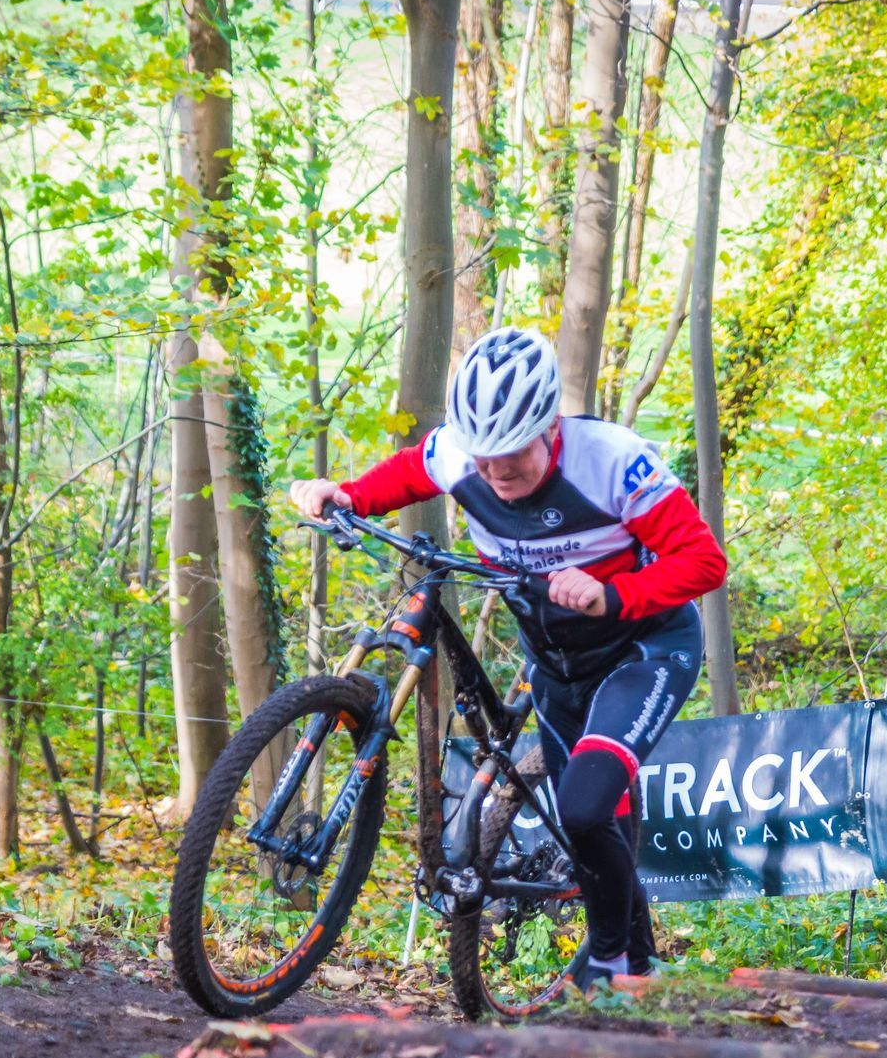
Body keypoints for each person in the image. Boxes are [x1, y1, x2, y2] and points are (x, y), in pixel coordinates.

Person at [290, 326, 727, 989]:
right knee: (590, 823)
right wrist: (348, 495)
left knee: (584, 809)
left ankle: (608, 969)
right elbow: (410, 471)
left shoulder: (613, 462)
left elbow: (704, 561)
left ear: (550, 424)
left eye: (512, 454)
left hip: (642, 648)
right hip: (555, 664)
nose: (494, 472)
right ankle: (640, 965)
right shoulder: (458, 451)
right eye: (483, 456)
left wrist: (613, 594)